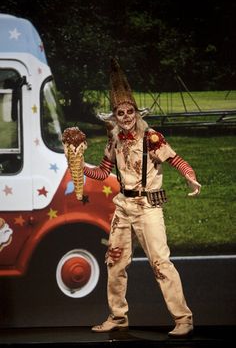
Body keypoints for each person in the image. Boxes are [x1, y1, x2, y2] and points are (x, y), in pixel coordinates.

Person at [83, 58, 201, 337]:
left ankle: (183, 318)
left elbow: (175, 159)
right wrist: (78, 167)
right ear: (114, 115)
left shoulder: (152, 138)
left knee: (160, 262)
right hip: (123, 206)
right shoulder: (113, 139)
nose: (125, 116)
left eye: (129, 111)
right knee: (114, 261)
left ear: (136, 112)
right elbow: (103, 172)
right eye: (120, 112)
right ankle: (118, 316)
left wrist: (190, 175)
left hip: (148, 206)